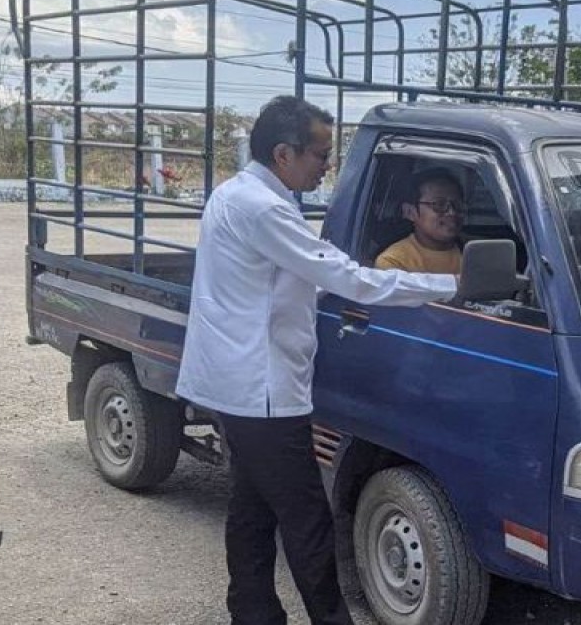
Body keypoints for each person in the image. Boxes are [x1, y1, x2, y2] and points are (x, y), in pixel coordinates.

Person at [175, 96, 457, 625]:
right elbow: (349, 278)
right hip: (261, 391)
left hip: (236, 383)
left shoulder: (236, 193)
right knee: (307, 522)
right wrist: (449, 286)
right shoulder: (264, 208)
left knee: (252, 509)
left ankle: (253, 611)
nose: (327, 164)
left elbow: (289, 282)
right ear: (284, 154)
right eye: (320, 153)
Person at [375, 168, 465, 274]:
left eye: (458, 205)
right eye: (439, 204)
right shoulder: (393, 261)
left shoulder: (477, 250)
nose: (452, 212)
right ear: (409, 212)